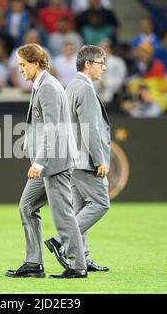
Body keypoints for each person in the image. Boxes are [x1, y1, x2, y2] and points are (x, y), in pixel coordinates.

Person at [5, 43, 87, 279]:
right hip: (49, 163)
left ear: (36, 63)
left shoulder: (48, 87)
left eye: (23, 64)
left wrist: (39, 161)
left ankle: (78, 266)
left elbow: (54, 128)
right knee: (27, 206)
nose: (20, 69)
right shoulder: (41, 85)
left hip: (55, 163)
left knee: (63, 215)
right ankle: (33, 263)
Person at [44, 45, 111, 273]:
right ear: (87, 64)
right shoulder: (84, 88)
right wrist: (99, 159)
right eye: (100, 63)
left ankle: (82, 257)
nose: (104, 67)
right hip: (85, 160)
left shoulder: (72, 85)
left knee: (79, 208)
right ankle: (60, 240)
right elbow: (90, 128)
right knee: (101, 203)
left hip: (73, 158)